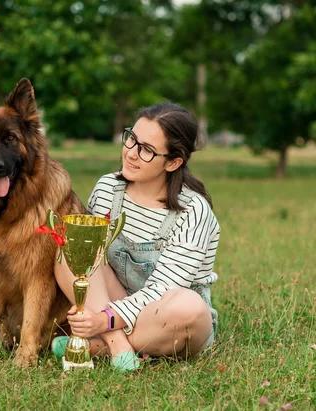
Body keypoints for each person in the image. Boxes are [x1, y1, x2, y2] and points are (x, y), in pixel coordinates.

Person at [51, 102, 220, 372]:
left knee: (190, 309)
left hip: (165, 315)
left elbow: (163, 290)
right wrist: (107, 318)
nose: (131, 153)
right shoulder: (108, 188)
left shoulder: (193, 211)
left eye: (147, 150)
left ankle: (98, 347)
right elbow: (92, 267)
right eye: (131, 139)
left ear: (173, 162)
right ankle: (118, 345)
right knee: (69, 249)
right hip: (111, 301)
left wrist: (103, 321)